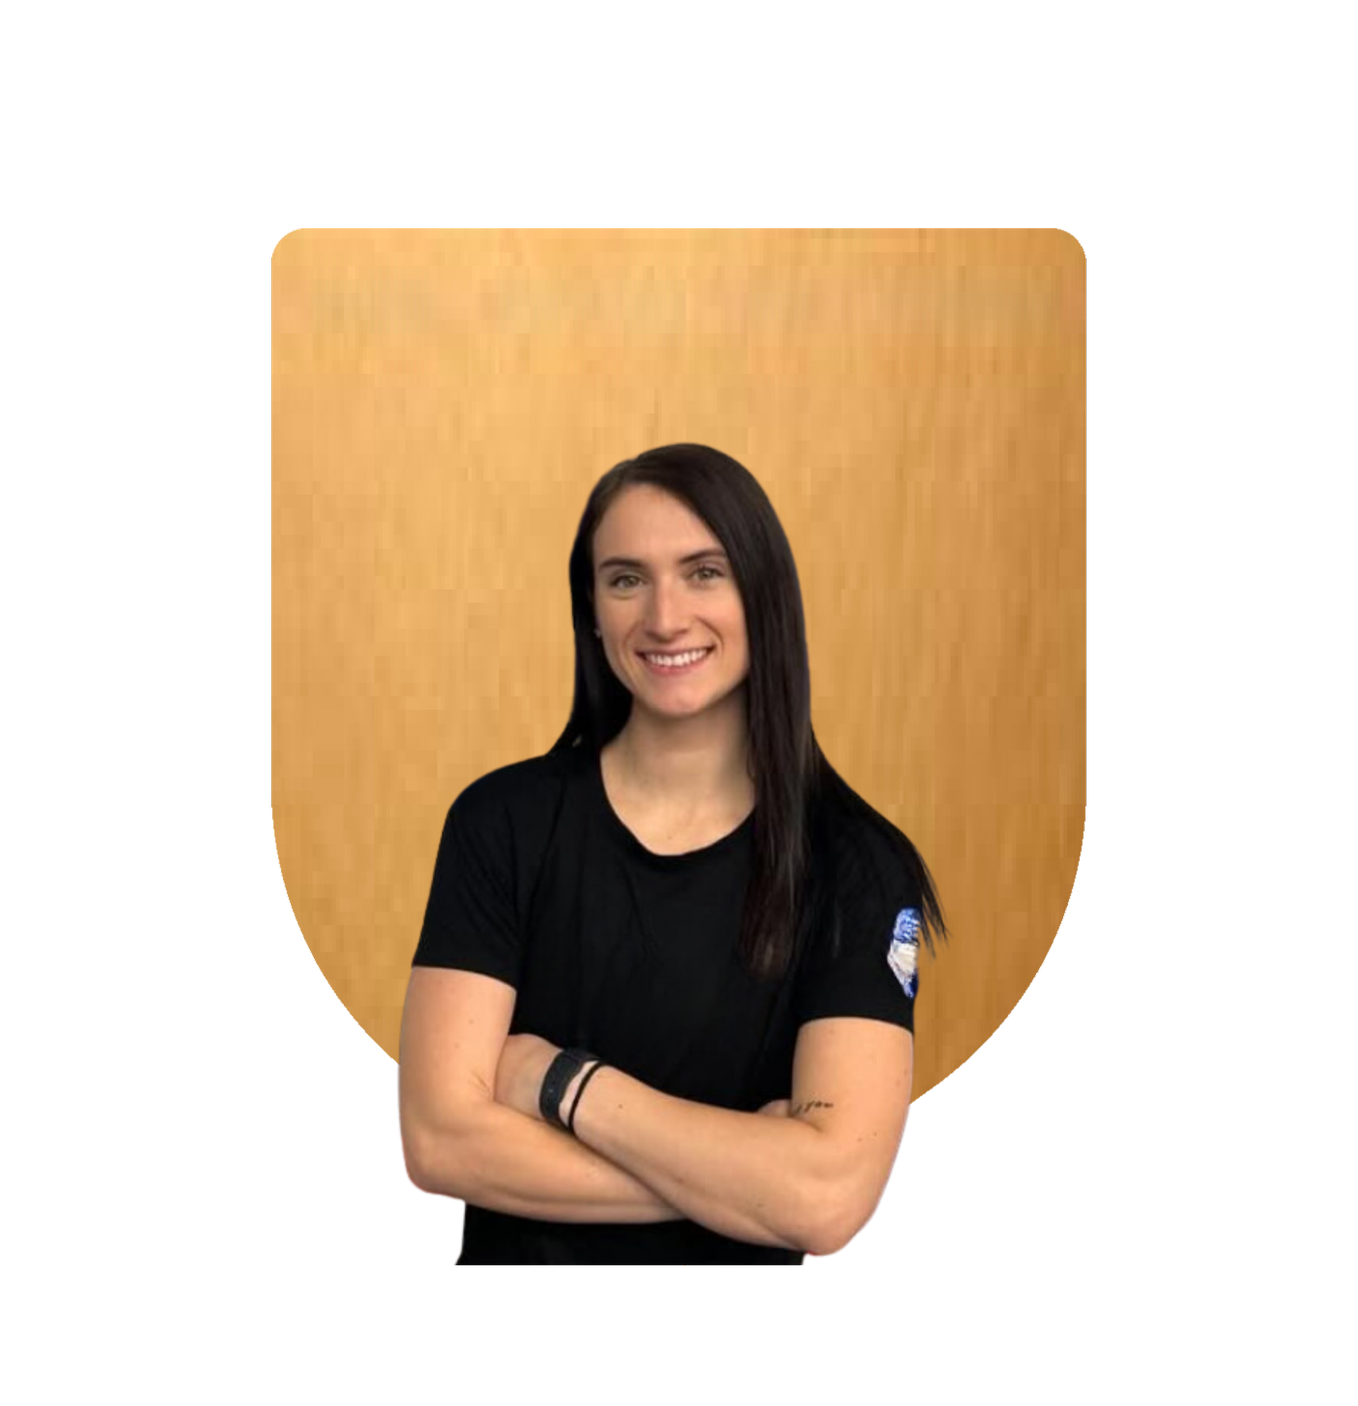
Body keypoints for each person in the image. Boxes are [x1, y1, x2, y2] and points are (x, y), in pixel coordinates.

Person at [398, 444, 949, 1267]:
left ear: (763, 597)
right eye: (626, 579)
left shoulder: (859, 867)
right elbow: (438, 1142)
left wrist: (560, 1085)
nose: (663, 617)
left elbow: (829, 1201)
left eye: (703, 573)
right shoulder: (499, 825)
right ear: (591, 609)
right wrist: (752, 1181)